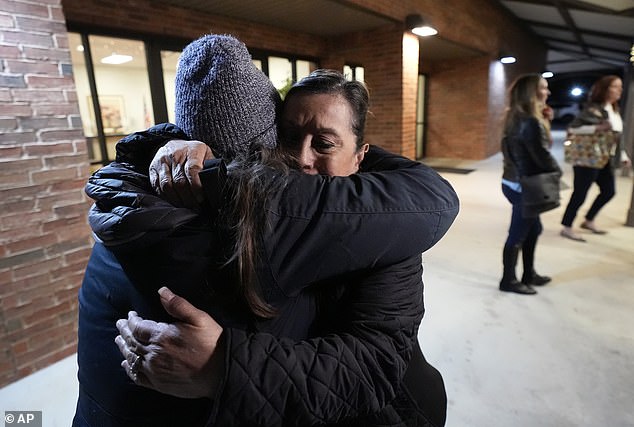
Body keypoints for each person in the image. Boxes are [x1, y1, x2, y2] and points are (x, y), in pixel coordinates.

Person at [74, 35, 458, 426]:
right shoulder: (232, 212)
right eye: (289, 138)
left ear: (361, 155)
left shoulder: (388, 226)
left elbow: (376, 363)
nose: (302, 158)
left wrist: (224, 366)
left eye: (324, 143)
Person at [499, 74, 561, 295]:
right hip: (525, 185)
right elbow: (541, 154)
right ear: (532, 92)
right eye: (544, 88)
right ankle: (508, 280)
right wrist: (557, 172)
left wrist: (546, 121)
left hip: (512, 182)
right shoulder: (530, 121)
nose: (548, 92)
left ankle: (528, 274)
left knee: (534, 229)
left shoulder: (514, 116)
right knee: (518, 234)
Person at [560, 75, 631, 241]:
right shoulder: (593, 109)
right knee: (580, 193)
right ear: (605, 89)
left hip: (605, 157)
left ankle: (589, 219)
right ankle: (567, 226)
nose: (619, 90)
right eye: (615, 86)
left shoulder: (614, 110)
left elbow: (615, 137)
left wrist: (623, 155)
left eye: (620, 87)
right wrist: (597, 127)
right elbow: (573, 128)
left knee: (608, 191)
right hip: (588, 158)